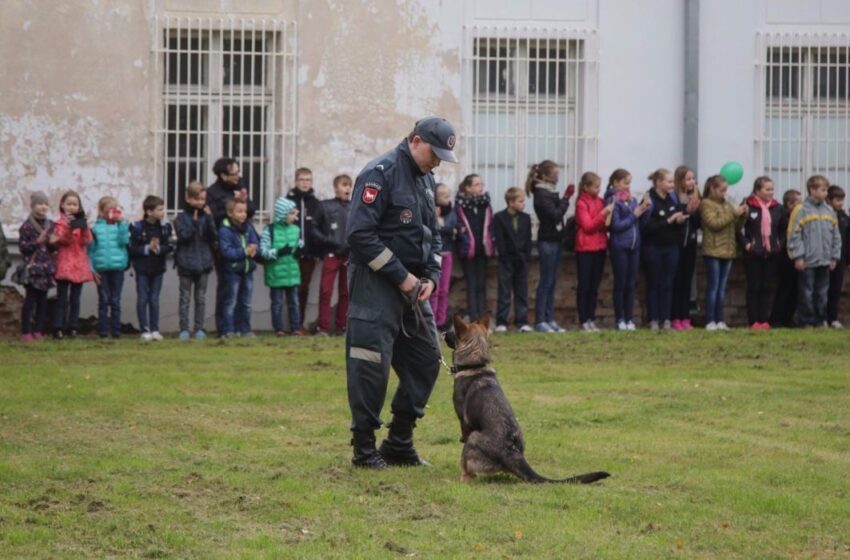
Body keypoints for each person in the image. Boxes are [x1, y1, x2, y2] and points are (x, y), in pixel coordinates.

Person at [345, 116, 456, 469]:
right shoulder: (380, 173)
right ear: (416, 140)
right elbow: (360, 235)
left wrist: (432, 278)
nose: (437, 162)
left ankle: (398, 442)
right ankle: (364, 449)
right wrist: (402, 277)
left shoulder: (426, 178)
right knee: (370, 366)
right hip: (376, 285)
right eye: (434, 153)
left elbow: (433, 235)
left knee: (426, 361)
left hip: (413, 289)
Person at [207, 157, 255, 335]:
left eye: (238, 172)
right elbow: (213, 218)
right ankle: (225, 329)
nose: (238, 176)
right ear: (222, 175)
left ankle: (243, 328)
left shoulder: (240, 185)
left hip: (244, 241)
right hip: (226, 244)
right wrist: (230, 207)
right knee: (228, 293)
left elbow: (251, 210)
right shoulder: (213, 192)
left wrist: (244, 200)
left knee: (245, 296)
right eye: (234, 174)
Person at [788, 175, 842, 328]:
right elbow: (794, 235)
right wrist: (798, 256)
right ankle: (806, 320)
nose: (826, 193)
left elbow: (836, 235)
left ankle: (820, 319)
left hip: (825, 259)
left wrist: (834, 256)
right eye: (823, 190)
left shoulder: (829, 210)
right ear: (812, 190)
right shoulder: (801, 210)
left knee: (822, 292)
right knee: (807, 291)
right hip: (808, 260)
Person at [527, 160, 573, 332]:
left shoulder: (549, 192)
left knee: (552, 281)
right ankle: (540, 320)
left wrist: (562, 199)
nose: (557, 178)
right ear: (545, 176)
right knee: (545, 281)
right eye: (555, 175)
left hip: (555, 239)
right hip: (547, 241)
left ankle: (550, 318)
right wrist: (566, 199)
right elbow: (554, 215)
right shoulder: (541, 194)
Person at [641, 168, 687, 330]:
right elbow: (646, 227)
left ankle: (666, 318)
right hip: (653, 247)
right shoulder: (649, 200)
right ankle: (653, 318)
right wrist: (668, 221)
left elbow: (676, 220)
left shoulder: (672, 198)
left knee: (668, 284)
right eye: (668, 181)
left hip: (671, 247)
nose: (672, 185)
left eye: (672, 181)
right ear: (658, 182)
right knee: (654, 283)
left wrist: (680, 220)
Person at [700, 175, 747, 331]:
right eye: (722, 190)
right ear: (712, 189)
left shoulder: (727, 204)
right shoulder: (706, 204)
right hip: (713, 250)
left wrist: (742, 215)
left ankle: (720, 320)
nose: (724, 194)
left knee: (722, 288)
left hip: (728, 250)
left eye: (726, 190)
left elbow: (735, 228)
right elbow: (714, 224)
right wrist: (734, 213)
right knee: (713, 287)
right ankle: (710, 320)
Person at [606, 169, 650, 331]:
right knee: (621, 283)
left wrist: (646, 208)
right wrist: (635, 214)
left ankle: (629, 318)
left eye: (629, 183)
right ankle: (619, 319)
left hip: (634, 246)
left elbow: (639, 221)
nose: (627, 186)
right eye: (625, 183)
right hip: (620, 246)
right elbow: (616, 226)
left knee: (631, 284)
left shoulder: (631, 200)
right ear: (615, 183)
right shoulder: (612, 200)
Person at [174, 181, 217, 340]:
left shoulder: (206, 216)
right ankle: (184, 328)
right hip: (186, 263)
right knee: (185, 297)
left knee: (201, 298)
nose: (201, 203)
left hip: (204, 262)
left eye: (203, 199)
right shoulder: (180, 217)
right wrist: (194, 222)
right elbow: (183, 236)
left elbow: (213, 237)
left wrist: (210, 218)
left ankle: (199, 328)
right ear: (188, 199)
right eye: (197, 199)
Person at [312, 174, 353, 335]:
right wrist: (329, 241)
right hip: (331, 253)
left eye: (349, 185)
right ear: (336, 188)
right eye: (344, 185)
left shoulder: (354, 206)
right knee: (325, 290)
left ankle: (342, 326)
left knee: (346, 292)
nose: (347, 188)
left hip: (349, 255)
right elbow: (314, 228)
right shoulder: (325, 206)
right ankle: (322, 327)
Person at [129, 195, 173, 341]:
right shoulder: (137, 227)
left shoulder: (165, 227)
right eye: (160, 209)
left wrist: (159, 249)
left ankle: (155, 329)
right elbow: (132, 248)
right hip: (142, 269)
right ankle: (144, 329)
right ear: (149, 211)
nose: (163, 212)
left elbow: (169, 246)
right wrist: (147, 248)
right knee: (143, 299)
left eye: (163, 209)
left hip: (158, 268)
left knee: (154, 299)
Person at [741, 177, 783, 330]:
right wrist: (747, 244)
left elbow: (782, 230)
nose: (770, 192)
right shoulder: (748, 206)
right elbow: (738, 228)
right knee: (754, 287)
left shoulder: (777, 208)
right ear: (757, 190)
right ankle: (753, 321)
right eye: (767, 189)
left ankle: (764, 319)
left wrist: (778, 244)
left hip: (771, 253)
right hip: (754, 253)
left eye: (772, 189)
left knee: (766, 287)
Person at [53, 190, 94, 339]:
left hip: (79, 264)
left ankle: (73, 327)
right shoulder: (59, 223)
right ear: (62, 206)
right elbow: (63, 240)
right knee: (62, 299)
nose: (72, 207)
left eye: (75, 204)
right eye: (69, 204)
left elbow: (87, 241)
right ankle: (58, 327)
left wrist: (84, 227)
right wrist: (70, 227)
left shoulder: (80, 223)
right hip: (65, 263)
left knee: (75, 299)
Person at [260, 197, 304, 336]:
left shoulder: (296, 229)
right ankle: (279, 329)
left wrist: (300, 250)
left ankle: (296, 328)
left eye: (295, 214)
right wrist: (278, 252)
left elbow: (299, 245)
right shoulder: (270, 230)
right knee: (277, 303)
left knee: (294, 303)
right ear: (282, 214)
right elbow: (263, 251)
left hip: (292, 273)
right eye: (292, 214)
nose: (295, 217)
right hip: (276, 273)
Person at [574, 172, 612, 332]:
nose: (598, 189)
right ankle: (583, 319)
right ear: (586, 187)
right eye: (596, 187)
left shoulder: (600, 201)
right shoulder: (581, 203)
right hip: (585, 248)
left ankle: (591, 317)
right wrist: (602, 215)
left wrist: (607, 218)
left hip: (600, 247)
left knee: (594, 286)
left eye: (599, 186)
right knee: (585, 285)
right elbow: (588, 226)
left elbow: (602, 225)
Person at [88, 196, 130, 339]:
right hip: (102, 269)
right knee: (103, 300)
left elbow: (124, 241)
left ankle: (116, 331)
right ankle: (103, 331)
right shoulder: (95, 229)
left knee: (115, 301)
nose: (113, 211)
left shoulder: (120, 226)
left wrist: (123, 223)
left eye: (115, 208)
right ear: (102, 210)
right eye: (110, 208)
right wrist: (92, 270)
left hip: (117, 268)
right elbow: (91, 250)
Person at [218, 199, 260, 337]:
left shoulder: (248, 227)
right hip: (233, 271)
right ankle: (228, 330)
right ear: (230, 213)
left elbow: (255, 241)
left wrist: (255, 248)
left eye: (245, 212)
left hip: (248, 269)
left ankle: (244, 329)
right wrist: (245, 251)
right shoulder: (225, 230)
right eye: (239, 211)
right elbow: (226, 252)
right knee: (230, 301)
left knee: (246, 302)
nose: (243, 215)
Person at [493, 187, 532, 333]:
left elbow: (527, 240)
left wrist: (526, 257)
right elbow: (500, 241)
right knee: (504, 292)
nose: (523, 204)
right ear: (511, 202)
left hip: (521, 261)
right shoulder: (499, 218)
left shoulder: (526, 218)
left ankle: (522, 321)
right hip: (506, 261)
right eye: (520, 201)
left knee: (521, 291)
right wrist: (505, 257)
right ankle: (501, 321)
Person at [455, 173, 494, 322]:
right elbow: (457, 225)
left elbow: (490, 225)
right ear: (468, 188)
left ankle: (482, 319)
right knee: (472, 284)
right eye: (477, 184)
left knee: (481, 285)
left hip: (482, 250)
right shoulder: (460, 206)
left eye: (481, 184)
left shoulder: (485, 204)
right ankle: (473, 317)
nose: (481, 187)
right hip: (468, 251)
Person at [18, 192, 56, 342]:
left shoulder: (50, 225)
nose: (43, 207)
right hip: (33, 269)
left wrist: (54, 243)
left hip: (46, 267)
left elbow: (52, 249)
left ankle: (39, 330)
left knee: (42, 301)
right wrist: (36, 242)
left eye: (46, 204)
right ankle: (26, 331)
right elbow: (23, 247)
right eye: (40, 204)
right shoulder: (26, 226)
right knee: (30, 301)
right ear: (33, 206)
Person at [287, 167, 321, 321]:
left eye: (308, 180)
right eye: (302, 179)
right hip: (291, 253)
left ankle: (300, 322)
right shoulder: (288, 201)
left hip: (309, 252)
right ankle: (290, 323)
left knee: (304, 288)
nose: (305, 183)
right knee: (290, 287)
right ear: (296, 181)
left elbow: (320, 227)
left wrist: (318, 251)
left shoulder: (316, 203)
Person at [671, 165, 701, 330]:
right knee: (677, 282)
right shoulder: (674, 197)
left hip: (690, 244)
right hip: (677, 245)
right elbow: (674, 219)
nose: (692, 182)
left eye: (693, 178)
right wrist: (685, 210)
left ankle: (685, 316)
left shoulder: (696, 197)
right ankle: (675, 316)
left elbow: (697, 224)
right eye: (688, 179)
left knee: (687, 282)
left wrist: (694, 211)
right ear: (680, 180)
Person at [770, 189, 802, 327]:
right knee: (784, 288)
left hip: (797, 255)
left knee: (795, 289)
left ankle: (788, 318)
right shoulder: (783, 215)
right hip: (784, 256)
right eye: (798, 202)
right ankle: (777, 319)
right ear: (790, 203)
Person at [429, 183, 458, 331]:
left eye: (449, 195)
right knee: (434, 289)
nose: (448, 199)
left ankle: (440, 321)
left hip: (447, 254)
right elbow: (434, 230)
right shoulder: (430, 210)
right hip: (433, 255)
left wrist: (444, 227)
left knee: (444, 290)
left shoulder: (452, 212)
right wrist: (444, 228)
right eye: (444, 196)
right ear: (436, 197)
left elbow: (453, 229)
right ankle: (431, 320)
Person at [826, 185, 850, 328]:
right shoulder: (824, 215)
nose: (840, 203)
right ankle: (821, 317)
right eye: (837, 200)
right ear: (829, 200)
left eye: (842, 200)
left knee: (835, 289)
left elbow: (847, 241)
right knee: (822, 289)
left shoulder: (844, 218)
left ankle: (832, 317)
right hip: (824, 258)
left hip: (840, 259)